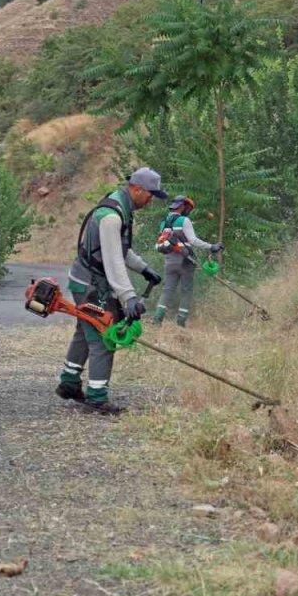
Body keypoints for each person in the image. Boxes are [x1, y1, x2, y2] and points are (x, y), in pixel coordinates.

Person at [56, 168, 167, 415]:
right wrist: (128, 297)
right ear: (136, 189)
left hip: (84, 279)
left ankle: (69, 382)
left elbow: (121, 250)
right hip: (89, 283)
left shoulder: (120, 207)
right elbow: (113, 260)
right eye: (150, 195)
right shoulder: (111, 217)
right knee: (103, 333)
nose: (152, 200)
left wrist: (144, 269)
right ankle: (97, 398)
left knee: (85, 330)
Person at [151, 195, 222, 327]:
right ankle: (181, 322)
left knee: (167, 290)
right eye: (188, 207)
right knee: (186, 291)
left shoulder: (163, 222)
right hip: (185, 261)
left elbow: (163, 243)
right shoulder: (184, 220)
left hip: (169, 261)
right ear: (182, 206)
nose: (188, 210)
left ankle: (157, 320)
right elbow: (193, 240)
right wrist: (211, 247)